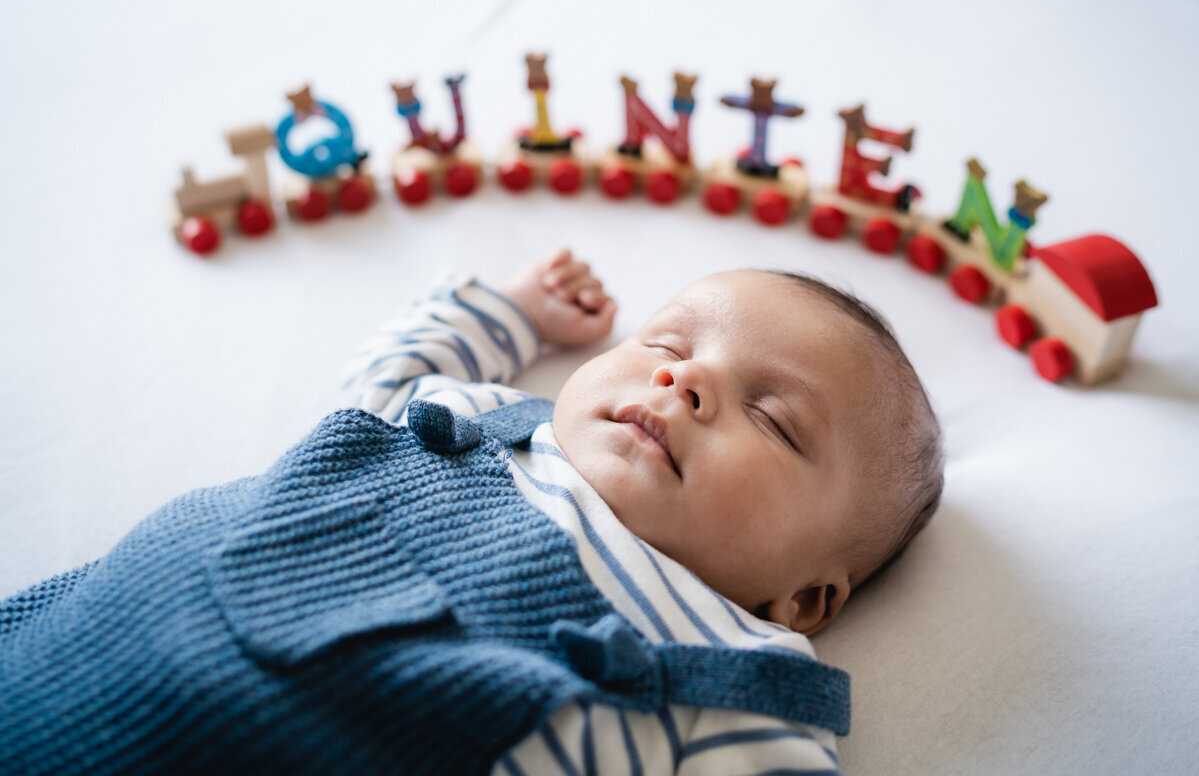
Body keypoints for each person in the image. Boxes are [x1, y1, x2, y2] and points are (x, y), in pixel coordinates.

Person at [0, 250, 943, 776]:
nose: (683, 378)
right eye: (665, 340)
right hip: (71, 644)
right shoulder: (487, 419)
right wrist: (512, 311)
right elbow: (385, 377)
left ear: (807, 599)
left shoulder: (733, 676)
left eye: (772, 419)